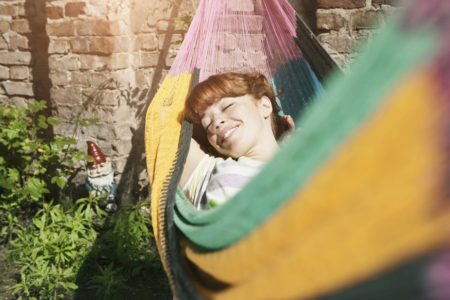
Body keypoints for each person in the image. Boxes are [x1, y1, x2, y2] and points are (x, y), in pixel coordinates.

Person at [179, 72, 294, 209]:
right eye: (207, 124)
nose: (216, 122)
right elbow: (167, 122)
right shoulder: (213, 171)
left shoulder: (305, 161)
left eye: (228, 106)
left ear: (264, 106)